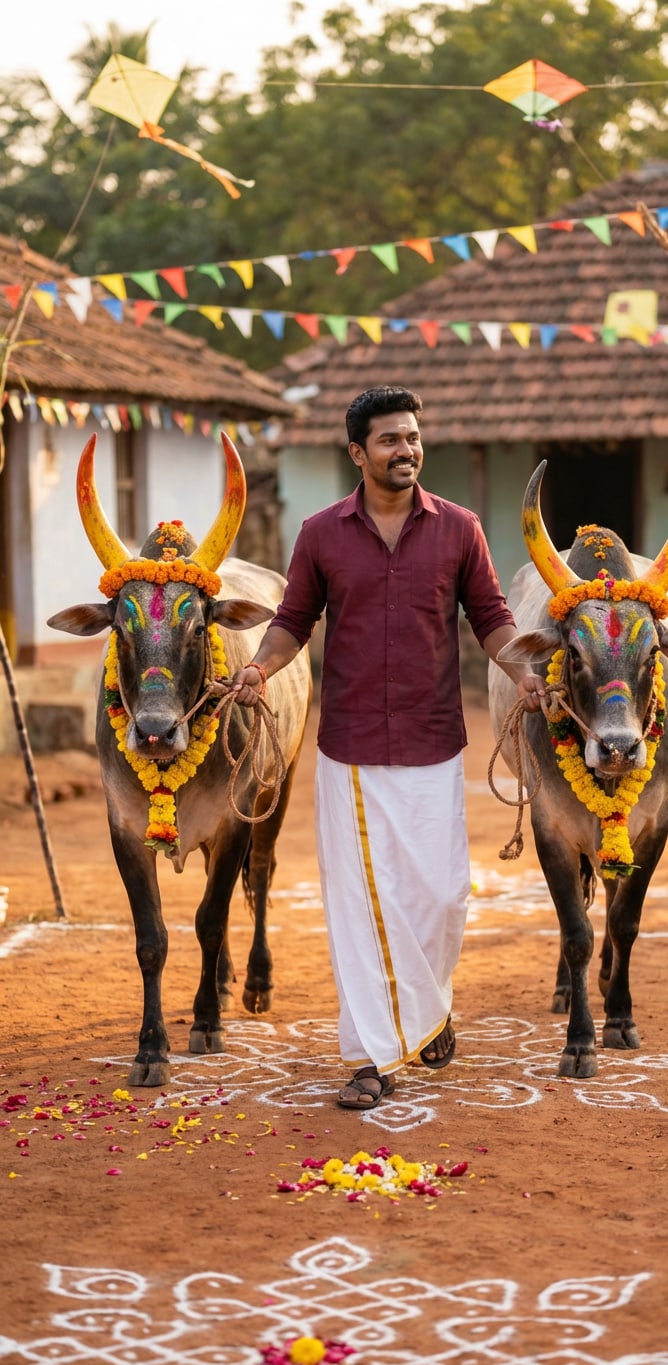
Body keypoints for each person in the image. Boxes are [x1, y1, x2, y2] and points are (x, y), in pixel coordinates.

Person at [233, 385, 545, 1110]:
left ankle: (427, 1009)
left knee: (441, 896)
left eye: (412, 437)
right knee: (362, 904)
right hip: (352, 748)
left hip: (434, 740)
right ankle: (371, 1057)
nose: (406, 450)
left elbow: (491, 617)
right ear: (358, 453)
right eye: (390, 440)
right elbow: (293, 621)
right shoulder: (320, 533)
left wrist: (526, 675)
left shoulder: (460, 528)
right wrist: (258, 669)